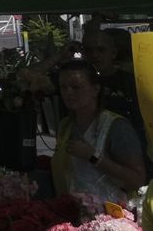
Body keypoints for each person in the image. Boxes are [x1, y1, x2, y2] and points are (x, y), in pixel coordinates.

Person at [52, 58, 145, 201]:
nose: (68, 92)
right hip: (72, 210)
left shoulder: (116, 127)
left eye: (76, 87)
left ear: (95, 89)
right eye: (63, 87)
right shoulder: (65, 126)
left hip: (112, 212)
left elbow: (137, 180)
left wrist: (93, 157)